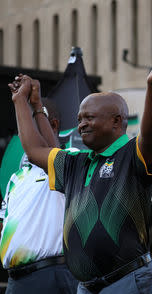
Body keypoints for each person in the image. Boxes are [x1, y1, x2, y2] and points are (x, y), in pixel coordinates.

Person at [9, 55, 152, 294]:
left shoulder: (132, 154)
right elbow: (33, 151)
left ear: (116, 121)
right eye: (80, 119)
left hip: (130, 280)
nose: (81, 124)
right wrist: (20, 101)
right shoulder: (74, 164)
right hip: (86, 288)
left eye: (89, 118)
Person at [1, 76, 78, 294]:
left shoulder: (71, 158)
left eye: (28, 125)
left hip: (53, 275)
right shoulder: (16, 178)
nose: (22, 135)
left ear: (53, 125)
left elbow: (50, 153)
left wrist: (33, 104)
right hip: (16, 280)